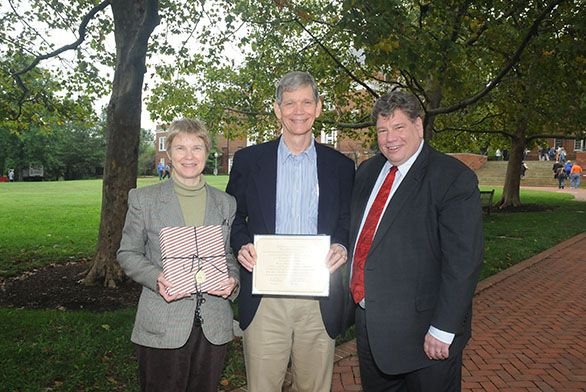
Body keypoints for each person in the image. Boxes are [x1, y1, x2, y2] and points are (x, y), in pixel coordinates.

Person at [226, 71, 355, 392]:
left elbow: (346, 220)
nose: (299, 111)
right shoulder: (248, 161)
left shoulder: (340, 166)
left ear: (319, 107)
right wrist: (241, 245)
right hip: (265, 298)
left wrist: (341, 244)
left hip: (318, 298)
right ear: (277, 109)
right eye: (290, 103)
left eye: (307, 102)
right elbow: (231, 217)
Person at [349, 90, 483, 391]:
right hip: (371, 329)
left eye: (398, 127)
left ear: (418, 126)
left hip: (425, 338)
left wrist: (444, 328)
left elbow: (463, 261)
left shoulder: (451, 177)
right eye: (382, 130)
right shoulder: (368, 173)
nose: (389, 138)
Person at [117, 118, 240, 392]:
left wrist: (232, 279)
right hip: (163, 320)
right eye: (180, 148)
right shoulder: (143, 199)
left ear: (207, 153)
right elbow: (128, 253)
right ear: (169, 154)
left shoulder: (225, 204)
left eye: (196, 148)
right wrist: (156, 276)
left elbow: (228, 254)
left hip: (213, 323)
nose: (189, 156)